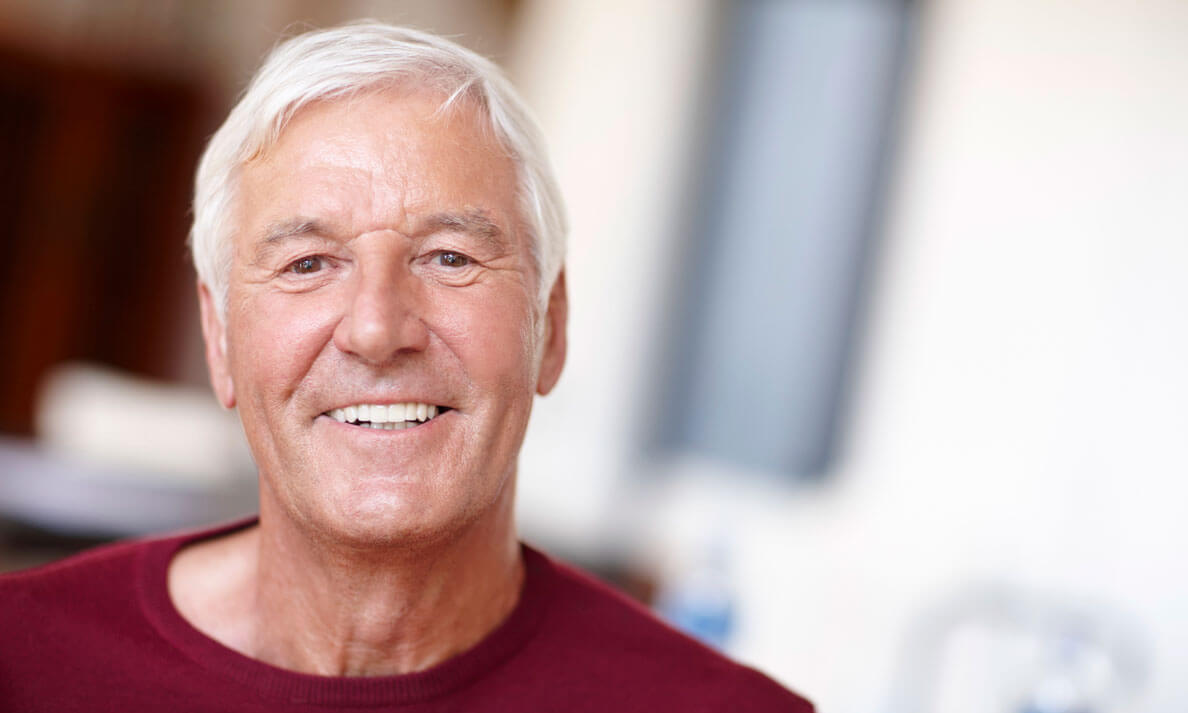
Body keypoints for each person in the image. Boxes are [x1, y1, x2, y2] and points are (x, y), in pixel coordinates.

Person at [0, 22, 814, 712]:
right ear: (220, 339)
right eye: (309, 263)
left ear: (551, 325)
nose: (377, 328)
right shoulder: (23, 664)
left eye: (450, 257)